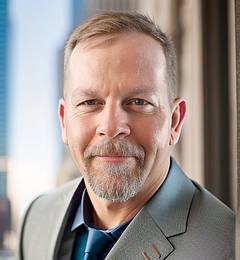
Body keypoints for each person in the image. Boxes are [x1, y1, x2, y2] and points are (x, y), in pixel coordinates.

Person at [17, 12, 235, 260]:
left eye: (138, 102)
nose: (111, 127)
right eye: (90, 102)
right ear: (64, 121)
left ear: (174, 121)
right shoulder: (36, 218)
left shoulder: (227, 246)